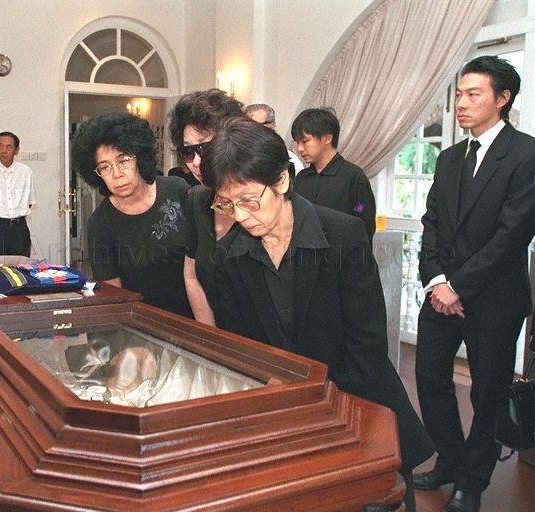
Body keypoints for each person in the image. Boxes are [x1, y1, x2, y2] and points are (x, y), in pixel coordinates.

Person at [202, 117, 433, 512]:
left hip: (359, 407)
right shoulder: (229, 255)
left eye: (249, 200)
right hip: (288, 419)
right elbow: (246, 350)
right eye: (227, 203)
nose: (239, 215)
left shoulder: (342, 235)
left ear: (281, 181)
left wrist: (325, 409)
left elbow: (367, 343)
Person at [413, 56, 535, 512]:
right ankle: (449, 459)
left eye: (473, 94)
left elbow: (512, 234)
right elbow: (431, 224)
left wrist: (458, 287)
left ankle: (473, 481)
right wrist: (437, 281)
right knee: (429, 380)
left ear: (502, 99)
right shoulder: (449, 158)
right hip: (441, 294)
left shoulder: (526, 153)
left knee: (487, 393)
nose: (461, 104)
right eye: (459, 94)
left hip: (495, 299)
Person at [72, 112, 192, 318]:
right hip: (144, 321)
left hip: (198, 314)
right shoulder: (100, 223)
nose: (117, 174)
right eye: (105, 167)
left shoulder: (177, 189)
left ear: (139, 158)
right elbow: (114, 295)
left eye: (123, 161)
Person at [168, 88, 243, 325]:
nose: (197, 162)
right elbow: (192, 276)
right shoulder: (198, 200)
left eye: (205, 148)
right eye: (188, 152)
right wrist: (209, 336)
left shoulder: (260, 201)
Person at [291, 108, 376, 243]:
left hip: (342, 254)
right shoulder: (301, 178)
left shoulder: (353, 177)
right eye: (297, 142)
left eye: (305, 141)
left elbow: (364, 226)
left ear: (327, 138)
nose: (300, 148)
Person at [244, 103, 305, 172]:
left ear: (272, 125)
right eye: (247, 126)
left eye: (257, 126)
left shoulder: (291, 160)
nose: (251, 131)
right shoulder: (237, 157)